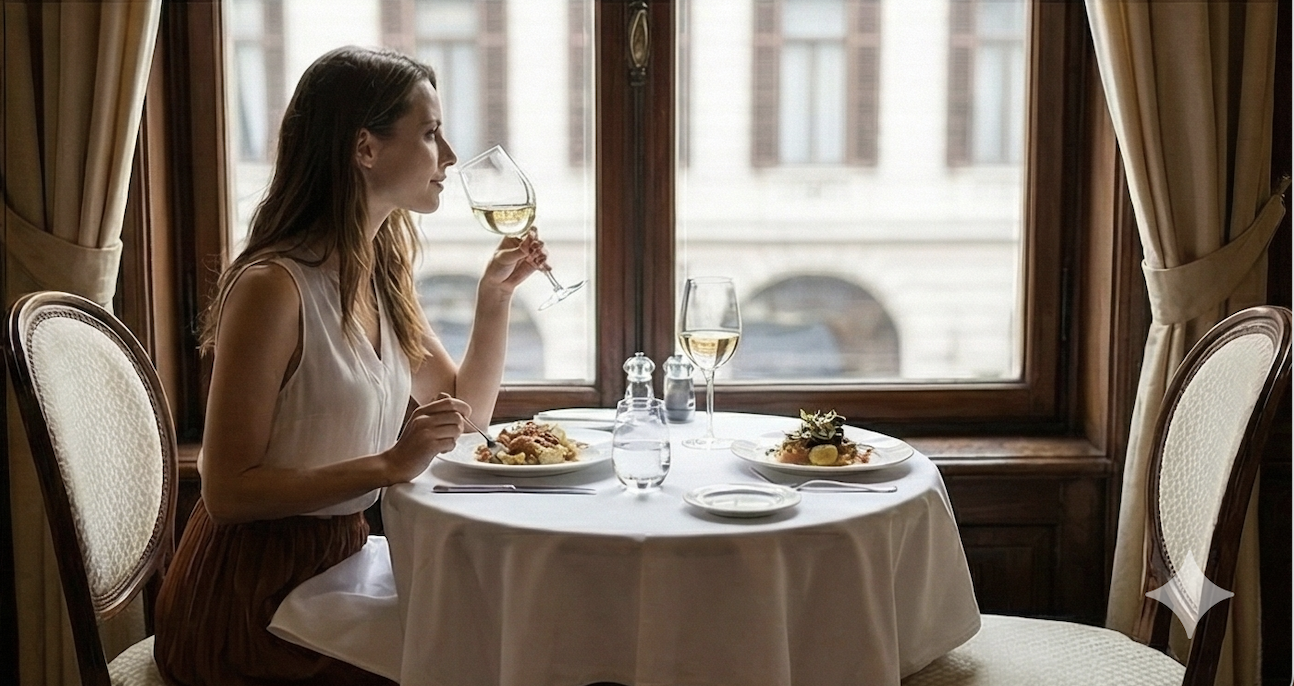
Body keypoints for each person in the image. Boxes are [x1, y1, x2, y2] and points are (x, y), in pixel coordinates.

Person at [153, 45, 547, 685]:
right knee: (475, 660)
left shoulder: (379, 276)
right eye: (430, 133)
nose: (449, 156)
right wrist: (390, 464)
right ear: (365, 148)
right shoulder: (273, 288)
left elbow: (465, 412)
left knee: (501, 632)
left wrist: (496, 297)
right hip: (252, 600)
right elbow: (225, 492)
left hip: (337, 568)